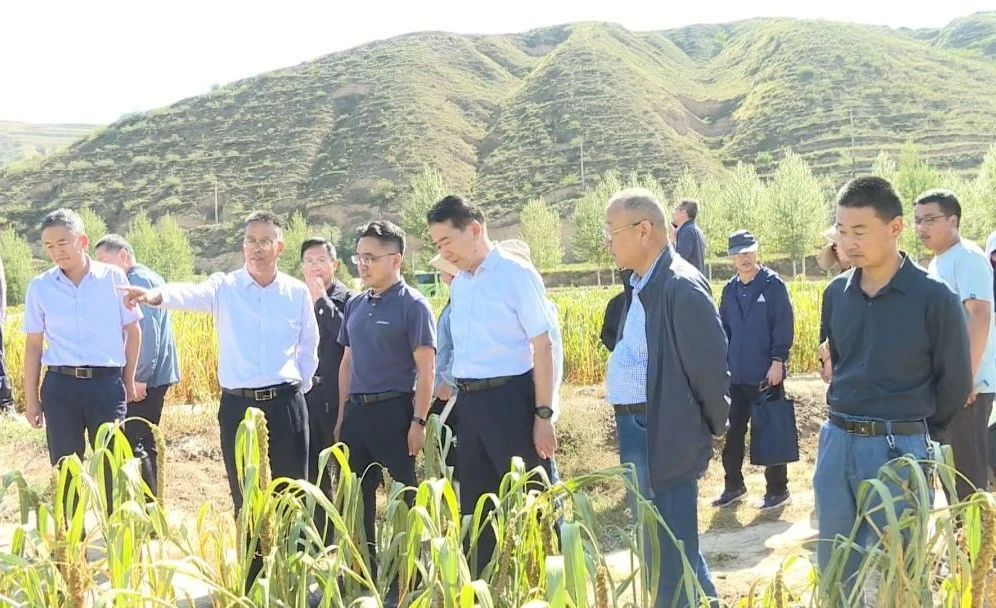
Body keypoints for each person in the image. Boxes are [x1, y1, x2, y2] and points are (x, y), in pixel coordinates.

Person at [816, 176, 971, 601]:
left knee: (900, 573)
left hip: (898, 449)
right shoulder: (836, 294)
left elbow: (955, 380)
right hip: (836, 443)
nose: (848, 243)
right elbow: (838, 360)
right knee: (835, 567)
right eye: (842, 231)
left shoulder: (933, 298)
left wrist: (917, 436)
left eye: (860, 231)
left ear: (895, 227)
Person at [120, 211, 319, 515]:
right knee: (245, 496)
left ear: (280, 247)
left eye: (265, 241)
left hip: (286, 404)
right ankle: (251, 548)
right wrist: (152, 296)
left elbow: (308, 346)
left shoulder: (296, 292)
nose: (257, 248)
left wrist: (297, 389)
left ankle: (291, 547)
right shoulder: (225, 287)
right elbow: (188, 294)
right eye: (250, 240)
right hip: (238, 406)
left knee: (292, 494)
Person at [604, 188, 729, 608]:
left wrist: (710, 427)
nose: (608, 242)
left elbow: (710, 368)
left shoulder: (680, 285)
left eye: (612, 231)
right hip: (639, 424)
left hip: (663, 428)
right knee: (663, 543)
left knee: (669, 549)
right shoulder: (642, 282)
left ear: (643, 230)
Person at [426, 195, 557, 574]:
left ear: (475, 230)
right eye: (437, 245)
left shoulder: (515, 274)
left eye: (447, 241)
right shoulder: (462, 285)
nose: (443, 253)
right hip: (470, 406)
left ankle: (548, 584)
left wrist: (544, 414)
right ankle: (486, 584)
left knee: (532, 501)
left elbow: (544, 346)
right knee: (477, 506)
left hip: (511, 401)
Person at [333, 220, 435, 579]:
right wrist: (342, 415)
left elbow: (427, 370)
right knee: (355, 497)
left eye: (371, 258)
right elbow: (347, 363)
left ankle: (410, 575)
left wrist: (419, 421)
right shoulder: (356, 304)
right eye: (359, 256)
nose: (362, 264)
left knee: (404, 496)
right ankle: (363, 571)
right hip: (357, 413)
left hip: (395, 412)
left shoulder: (414, 306)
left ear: (396, 259)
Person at [23, 209, 142, 499]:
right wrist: (31, 399)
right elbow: (34, 345)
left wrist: (128, 380)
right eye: (49, 246)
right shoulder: (40, 287)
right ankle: (71, 528)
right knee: (66, 469)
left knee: (113, 465)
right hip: (60, 388)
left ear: (83, 241)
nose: (56, 251)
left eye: (63, 243)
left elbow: (134, 331)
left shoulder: (113, 278)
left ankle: (116, 526)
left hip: (106, 386)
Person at [915, 189, 995, 500]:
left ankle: (977, 534)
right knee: (951, 473)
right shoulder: (939, 262)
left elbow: (980, 317)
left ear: (953, 220)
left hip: (970, 387)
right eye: (918, 220)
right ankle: (962, 531)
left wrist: (966, 378)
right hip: (950, 384)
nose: (922, 227)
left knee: (968, 477)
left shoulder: (968, 258)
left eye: (930, 219)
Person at [95, 234, 180, 499]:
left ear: (123, 255)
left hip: (147, 378)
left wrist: (138, 377)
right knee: (144, 440)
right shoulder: (145, 276)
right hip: (153, 374)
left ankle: (148, 506)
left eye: (104, 260)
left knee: (137, 440)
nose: (102, 268)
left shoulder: (138, 281)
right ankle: (151, 503)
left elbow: (148, 333)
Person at [714, 230, 794, 510]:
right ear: (732, 258)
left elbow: (783, 324)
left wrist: (778, 360)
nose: (744, 257)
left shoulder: (773, 285)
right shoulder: (730, 290)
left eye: (748, 251)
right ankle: (733, 486)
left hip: (766, 375)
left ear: (757, 251)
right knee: (733, 433)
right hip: (736, 376)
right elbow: (723, 330)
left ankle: (778, 490)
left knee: (770, 432)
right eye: (738, 253)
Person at [299, 237, 353, 501]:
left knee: (343, 468)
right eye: (309, 261)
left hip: (336, 395)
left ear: (335, 264)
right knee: (312, 472)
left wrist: (321, 301)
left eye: (321, 260)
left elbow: (347, 336)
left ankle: (346, 522)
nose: (315, 266)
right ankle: (319, 523)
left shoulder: (349, 299)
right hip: (305, 395)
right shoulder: (296, 298)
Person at [428, 252, 460, 478]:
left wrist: (448, 381)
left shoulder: (459, 304)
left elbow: (460, 344)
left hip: (454, 392)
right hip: (450, 387)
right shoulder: (455, 301)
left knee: (445, 442)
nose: (441, 276)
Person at [672, 198, 707, 274]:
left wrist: (673, 241)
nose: (673, 213)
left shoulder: (686, 231)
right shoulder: (696, 230)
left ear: (684, 212)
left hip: (686, 279)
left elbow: (678, 259)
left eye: (676, 210)